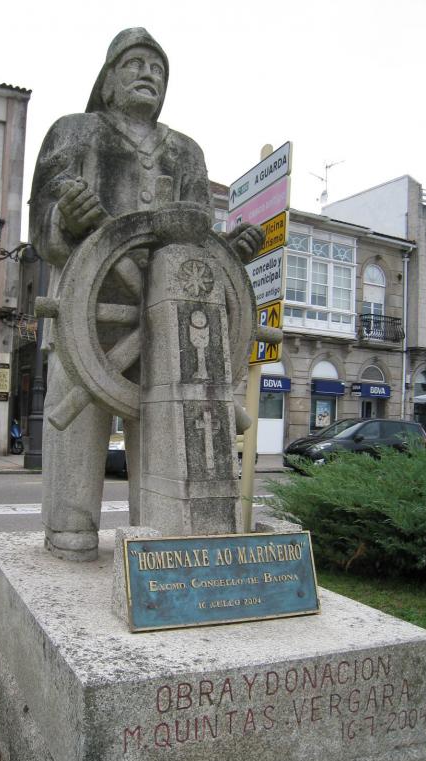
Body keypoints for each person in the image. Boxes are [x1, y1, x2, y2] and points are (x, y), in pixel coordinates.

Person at [30, 28, 263, 560]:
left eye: (158, 69)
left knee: (166, 426)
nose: (148, 75)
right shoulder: (74, 132)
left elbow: (195, 239)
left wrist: (227, 255)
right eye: (134, 64)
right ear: (108, 80)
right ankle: (69, 531)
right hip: (84, 312)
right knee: (77, 424)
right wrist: (65, 217)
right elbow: (41, 220)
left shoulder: (186, 153)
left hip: (170, 324)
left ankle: (161, 542)